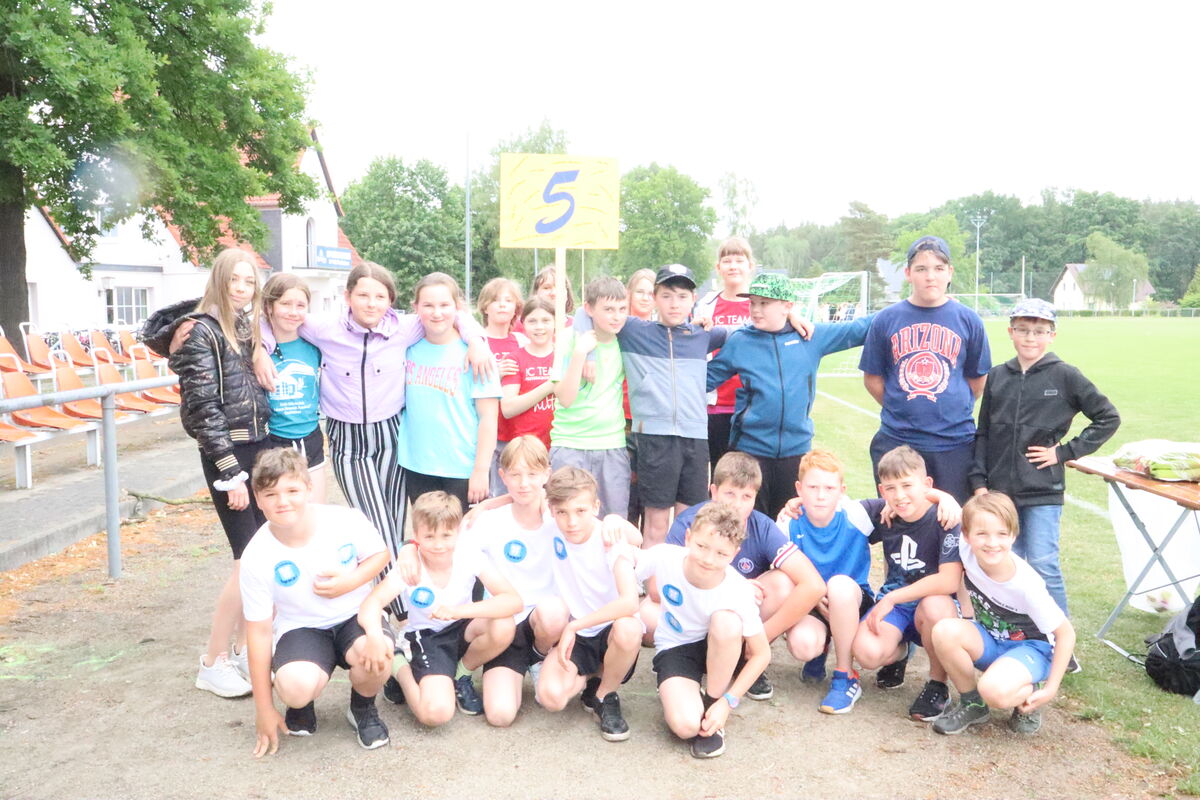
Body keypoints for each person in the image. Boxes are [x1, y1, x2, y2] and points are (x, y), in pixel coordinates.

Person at [254, 262, 491, 614]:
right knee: (376, 525)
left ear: (391, 301)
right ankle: (402, 612)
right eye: (363, 295)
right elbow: (273, 317)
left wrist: (478, 341)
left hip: (390, 435)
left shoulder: (406, 327)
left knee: (393, 523)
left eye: (380, 296)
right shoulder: (324, 328)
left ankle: (400, 604)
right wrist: (260, 349)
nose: (371, 303)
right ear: (347, 296)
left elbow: (454, 313)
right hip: (348, 439)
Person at [142, 247, 272, 698]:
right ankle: (213, 662)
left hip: (257, 446)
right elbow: (203, 409)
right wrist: (229, 472)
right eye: (234, 279)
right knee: (246, 562)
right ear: (218, 280)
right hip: (229, 455)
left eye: (249, 281)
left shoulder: (241, 326)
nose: (242, 288)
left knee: (260, 558)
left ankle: (242, 650)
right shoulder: (200, 332)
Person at [969, 298, 1119, 624]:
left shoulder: (1065, 375)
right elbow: (984, 433)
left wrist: (1064, 453)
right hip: (1000, 494)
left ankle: (1059, 636)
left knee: (1043, 563)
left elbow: (1108, 417)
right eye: (1023, 330)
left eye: (1039, 331)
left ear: (1052, 335)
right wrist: (979, 483)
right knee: (1006, 563)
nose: (1030, 337)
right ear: (1010, 332)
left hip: (1042, 491)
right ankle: (1016, 631)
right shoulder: (997, 376)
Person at [238, 448, 392, 755]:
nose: (282, 501)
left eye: (292, 491)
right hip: (302, 626)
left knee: (378, 655)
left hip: (354, 615)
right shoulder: (256, 555)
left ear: (309, 488)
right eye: (270, 494)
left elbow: (380, 555)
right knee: (295, 687)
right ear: (257, 499)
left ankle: (362, 707)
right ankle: (301, 703)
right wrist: (264, 708)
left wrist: (350, 582)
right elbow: (259, 632)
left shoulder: (344, 519)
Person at [573, 264, 735, 545]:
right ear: (655, 298)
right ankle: (649, 574)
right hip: (654, 440)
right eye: (667, 296)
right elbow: (582, 312)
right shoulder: (634, 330)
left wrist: (791, 315)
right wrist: (588, 356)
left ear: (693, 300)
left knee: (689, 525)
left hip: (696, 439)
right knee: (657, 524)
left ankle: (680, 573)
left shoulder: (702, 335)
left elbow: (747, 332)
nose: (674, 304)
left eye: (682, 297)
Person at [651, 450, 824, 702]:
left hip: (734, 624)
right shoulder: (689, 522)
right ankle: (682, 660)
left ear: (755, 497)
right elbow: (658, 587)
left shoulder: (762, 526)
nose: (737, 504)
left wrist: (761, 638)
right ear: (713, 491)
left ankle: (744, 659)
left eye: (746, 496)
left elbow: (814, 585)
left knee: (782, 584)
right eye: (729, 494)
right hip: (691, 612)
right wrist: (733, 586)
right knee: (648, 614)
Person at [705, 272, 871, 519]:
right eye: (752, 303)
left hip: (796, 453)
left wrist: (915, 307)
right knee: (745, 525)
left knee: (787, 524)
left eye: (764, 303)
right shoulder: (741, 341)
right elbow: (702, 380)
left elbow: (861, 329)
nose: (756, 310)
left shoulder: (811, 336)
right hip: (750, 453)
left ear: (787, 306)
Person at [357, 491, 522, 726]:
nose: (438, 545)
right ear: (416, 536)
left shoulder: (468, 555)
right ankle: (400, 666)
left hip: (462, 626)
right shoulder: (410, 566)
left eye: (446, 535)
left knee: (504, 623)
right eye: (429, 536)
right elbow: (371, 603)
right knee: (435, 715)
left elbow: (513, 601)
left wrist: (458, 612)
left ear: (458, 533)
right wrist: (375, 636)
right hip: (428, 638)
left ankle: (461, 675)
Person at [859, 235, 991, 504]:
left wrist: (950, 406)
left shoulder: (969, 320)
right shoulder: (886, 319)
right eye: (921, 269)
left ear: (949, 272)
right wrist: (901, 405)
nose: (930, 277)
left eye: (938, 268)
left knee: (951, 520)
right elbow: (873, 379)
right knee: (901, 516)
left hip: (954, 443)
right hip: (899, 440)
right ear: (908, 273)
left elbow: (976, 381)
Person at [931, 492, 1076, 735]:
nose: (992, 543)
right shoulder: (966, 549)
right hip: (992, 638)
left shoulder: (1026, 584)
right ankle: (973, 704)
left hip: (1031, 648)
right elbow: (933, 502)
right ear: (966, 535)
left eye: (1001, 534)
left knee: (993, 690)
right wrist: (936, 496)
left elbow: (1066, 634)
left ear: (1013, 535)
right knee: (944, 630)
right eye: (982, 534)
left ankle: (1027, 689)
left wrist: (1051, 689)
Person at [634, 502, 771, 759]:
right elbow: (624, 565)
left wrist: (728, 702)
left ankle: (712, 701)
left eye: (721, 553)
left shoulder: (739, 589)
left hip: (719, 643)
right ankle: (685, 693)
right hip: (677, 645)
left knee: (727, 621)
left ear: (734, 554)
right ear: (688, 537)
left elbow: (762, 654)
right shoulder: (664, 556)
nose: (708, 559)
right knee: (685, 726)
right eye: (701, 546)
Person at [850, 445, 964, 723]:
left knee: (935, 606)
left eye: (907, 486)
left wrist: (891, 598)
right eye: (891, 488)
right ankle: (901, 651)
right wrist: (796, 503)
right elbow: (831, 504)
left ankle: (937, 684)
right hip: (899, 608)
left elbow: (949, 579)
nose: (899, 496)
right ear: (882, 491)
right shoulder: (882, 512)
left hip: (933, 607)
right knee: (866, 653)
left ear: (927, 484)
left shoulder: (945, 516)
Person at [531, 467, 643, 741]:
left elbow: (630, 602)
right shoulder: (551, 525)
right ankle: (593, 677)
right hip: (579, 634)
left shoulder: (610, 538)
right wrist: (481, 507)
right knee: (550, 698)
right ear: (551, 510)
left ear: (595, 507)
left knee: (629, 628)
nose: (571, 522)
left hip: (609, 630)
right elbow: (521, 493)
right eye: (562, 512)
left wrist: (574, 626)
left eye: (580, 511)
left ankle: (606, 695)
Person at [775, 449, 876, 714]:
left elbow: (904, 502)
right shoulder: (788, 523)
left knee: (839, 586)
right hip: (814, 603)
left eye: (829, 488)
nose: (821, 495)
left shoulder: (857, 514)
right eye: (812, 487)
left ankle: (845, 676)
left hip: (851, 598)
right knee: (803, 645)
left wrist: (942, 497)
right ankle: (821, 647)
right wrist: (811, 596)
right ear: (799, 489)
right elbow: (780, 573)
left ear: (842, 491)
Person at [397, 272, 503, 512]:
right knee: (428, 533)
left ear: (458, 307)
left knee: (464, 532)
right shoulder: (408, 349)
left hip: (462, 469)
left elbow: (488, 418)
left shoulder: (477, 355)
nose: (437, 313)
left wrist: (480, 470)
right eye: (428, 305)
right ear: (416, 307)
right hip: (418, 466)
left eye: (444, 305)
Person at [549, 276, 630, 518]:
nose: (616, 316)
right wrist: (581, 355)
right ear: (590, 308)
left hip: (612, 445)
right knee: (568, 520)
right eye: (608, 309)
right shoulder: (568, 338)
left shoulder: (625, 339)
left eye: (622, 309)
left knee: (613, 522)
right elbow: (565, 398)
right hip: (570, 443)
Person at [260, 273, 326, 501]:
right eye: (285, 304)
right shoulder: (257, 349)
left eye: (300, 305)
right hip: (274, 440)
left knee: (315, 511)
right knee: (281, 509)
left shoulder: (315, 346)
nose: (293, 312)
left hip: (310, 437)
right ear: (269, 306)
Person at [694, 237, 755, 472]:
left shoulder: (760, 303)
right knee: (720, 474)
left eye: (739, 260)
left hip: (752, 405)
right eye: (727, 261)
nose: (733, 266)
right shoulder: (706, 305)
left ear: (750, 266)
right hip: (716, 405)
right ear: (718, 267)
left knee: (750, 476)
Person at [478, 277, 527, 496]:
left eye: (508, 300)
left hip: (515, 431)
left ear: (516, 307)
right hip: (486, 432)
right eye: (496, 300)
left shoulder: (521, 341)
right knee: (489, 495)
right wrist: (494, 376)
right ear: (485, 306)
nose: (502, 305)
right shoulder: (477, 341)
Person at [499, 297, 557, 452]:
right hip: (525, 447)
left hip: (559, 444)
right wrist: (548, 387)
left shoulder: (563, 356)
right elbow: (508, 408)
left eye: (546, 320)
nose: (539, 327)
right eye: (532, 321)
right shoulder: (514, 359)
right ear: (523, 324)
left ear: (555, 322)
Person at [623, 268, 656, 526]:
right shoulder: (619, 327)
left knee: (652, 493)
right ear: (629, 294)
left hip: (653, 421)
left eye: (651, 293)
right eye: (640, 292)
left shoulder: (662, 329)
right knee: (627, 491)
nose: (645, 297)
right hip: (624, 418)